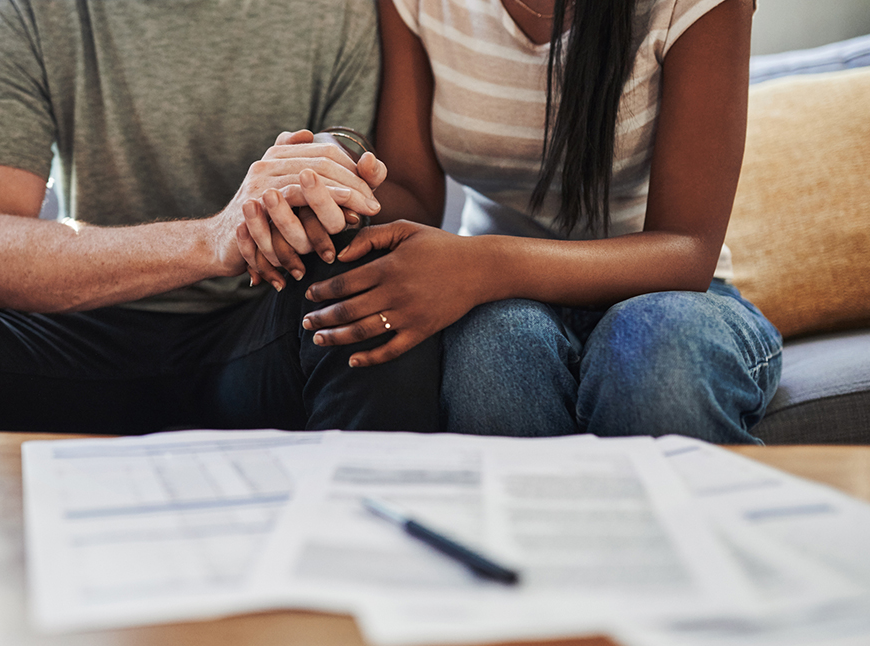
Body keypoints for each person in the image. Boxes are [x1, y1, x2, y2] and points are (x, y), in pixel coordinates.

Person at [0, 0, 441, 435]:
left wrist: (319, 198)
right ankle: (9, 505)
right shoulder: (20, 9)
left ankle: (348, 557)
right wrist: (212, 239)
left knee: (376, 294)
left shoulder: (337, 11)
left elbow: (381, 201)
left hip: (255, 336)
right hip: (74, 337)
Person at [238, 0, 783, 443]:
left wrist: (481, 264)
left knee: (653, 354)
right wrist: (326, 180)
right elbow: (415, 198)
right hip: (498, 298)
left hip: (671, 295)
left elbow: (688, 252)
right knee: (492, 350)